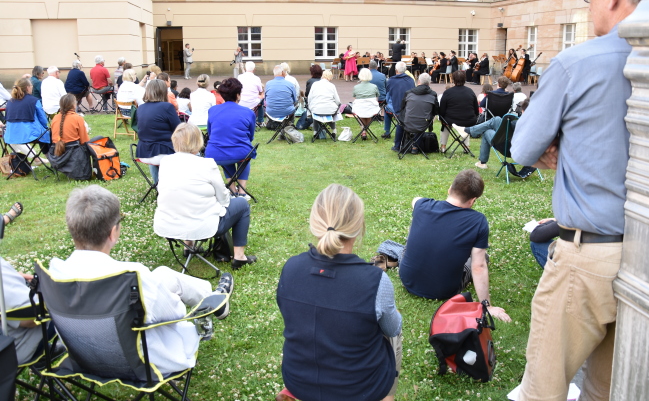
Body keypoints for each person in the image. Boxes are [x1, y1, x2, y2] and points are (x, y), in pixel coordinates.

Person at [511, 0, 649, 401]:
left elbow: (523, 147)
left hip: (586, 255)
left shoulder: (578, 63)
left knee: (543, 388)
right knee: (607, 390)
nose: (590, 0)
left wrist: (561, 147)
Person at [50, 185, 235, 375]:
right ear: (113, 232)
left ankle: (211, 296)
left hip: (83, 356)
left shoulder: (54, 273)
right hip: (141, 361)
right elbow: (174, 313)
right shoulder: (130, 277)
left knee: (163, 275)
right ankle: (214, 299)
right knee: (161, 286)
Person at [276, 184, 402, 401]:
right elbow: (392, 329)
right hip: (361, 389)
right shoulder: (375, 281)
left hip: (298, 381)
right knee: (393, 331)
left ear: (315, 222)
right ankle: (387, 396)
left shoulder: (290, 268)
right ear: (358, 227)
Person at [394, 170, 511, 323]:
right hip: (444, 289)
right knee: (483, 257)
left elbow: (415, 200)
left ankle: (391, 255)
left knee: (410, 245)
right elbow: (478, 266)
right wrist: (486, 306)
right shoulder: (478, 221)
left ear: (450, 189)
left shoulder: (422, 205)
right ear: (472, 201)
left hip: (407, 279)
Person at [155, 123, 257, 269]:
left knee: (184, 200)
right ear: (198, 142)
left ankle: (188, 246)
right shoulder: (207, 164)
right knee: (242, 204)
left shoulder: (165, 162)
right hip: (203, 225)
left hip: (167, 224)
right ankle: (239, 256)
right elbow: (224, 198)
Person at [205, 78, 256, 197]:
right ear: (238, 95)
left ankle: (232, 190)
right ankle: (242, 191)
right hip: (240, 151)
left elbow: (210, 132)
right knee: (245, 156)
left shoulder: (213, 110)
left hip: (215, 151)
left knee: (225, 151)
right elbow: (251, 134)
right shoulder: (247, 112)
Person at [456, 99, 528, 169]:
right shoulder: (533, 124)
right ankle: (468, 131)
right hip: (516, 148)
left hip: (509, 149)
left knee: (487, 131)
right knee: (496, 120)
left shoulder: (518, 123)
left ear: (523, 110)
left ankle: (482, 162)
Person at [136, 79, 181, 184]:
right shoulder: (167, 107)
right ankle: (168, 186)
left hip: (144, 152)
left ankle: (158, 185)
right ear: (164, 92)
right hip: (164, 151)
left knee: (156, 153)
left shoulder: (141, 108)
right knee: (194, 154)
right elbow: (179, 129)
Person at [48, 94, 91, 180]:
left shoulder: (55, 118)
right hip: (74, 153)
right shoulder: (77, 118)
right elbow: (84, 141)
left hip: (56, 153)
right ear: (73, 105)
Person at [4, 78, 51, 156]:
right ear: (27, 87)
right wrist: (45, 128)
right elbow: (43, 120)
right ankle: (50, 158)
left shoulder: (10, 102)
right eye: (31, 86)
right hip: (29, 134)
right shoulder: (34, 101)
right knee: (47, 134)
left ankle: (25, 160)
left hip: (11, 135)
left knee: (42, 133)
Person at [439, 71, 479, 153]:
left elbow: (442, 109)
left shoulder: (448, 92)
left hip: (451, 120)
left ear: (453, 79)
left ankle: (443, 146)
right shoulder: (470, 91)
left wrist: (441, 119)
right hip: (469, 120)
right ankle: (466, 146)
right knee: (465, 125)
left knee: (445, 124)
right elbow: (476, 109)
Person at [399, 73, 438, 154]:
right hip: (423, 124)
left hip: (407, 123)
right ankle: (415, 146)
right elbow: (435, 111)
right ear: (429, 82)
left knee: (404, 118)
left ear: (418, 81)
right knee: (422, 120)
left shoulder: (409, 93)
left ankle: (399, 145)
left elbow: (402, 107)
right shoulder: (433, 94)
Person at [385, 61, 415, 152]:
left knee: (400, 122)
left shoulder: (391, 80)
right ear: (405, 70)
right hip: (410, 107)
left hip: (397, 107)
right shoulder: (410, 80)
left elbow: (388, 94)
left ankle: (397, 145)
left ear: (396, 70)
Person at [307, 70, 341, 139]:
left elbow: (309, 98)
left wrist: (310, 106)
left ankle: (315, 132)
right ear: (330, 77)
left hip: (316, 110)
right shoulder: (332, 86)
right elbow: (338, 101)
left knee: (315, 113)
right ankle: (334, 131)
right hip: (329, 110)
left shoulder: (315, 84)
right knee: (332, 113)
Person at [352, 68, 380, 141]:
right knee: (369, 112)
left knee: (361, 112)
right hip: (371, 109)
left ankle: (363, 131)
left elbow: (355, 98)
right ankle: (365, 130)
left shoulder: (356, 87)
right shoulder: (374, 86)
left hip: (360, 109)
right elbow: (377, 97)